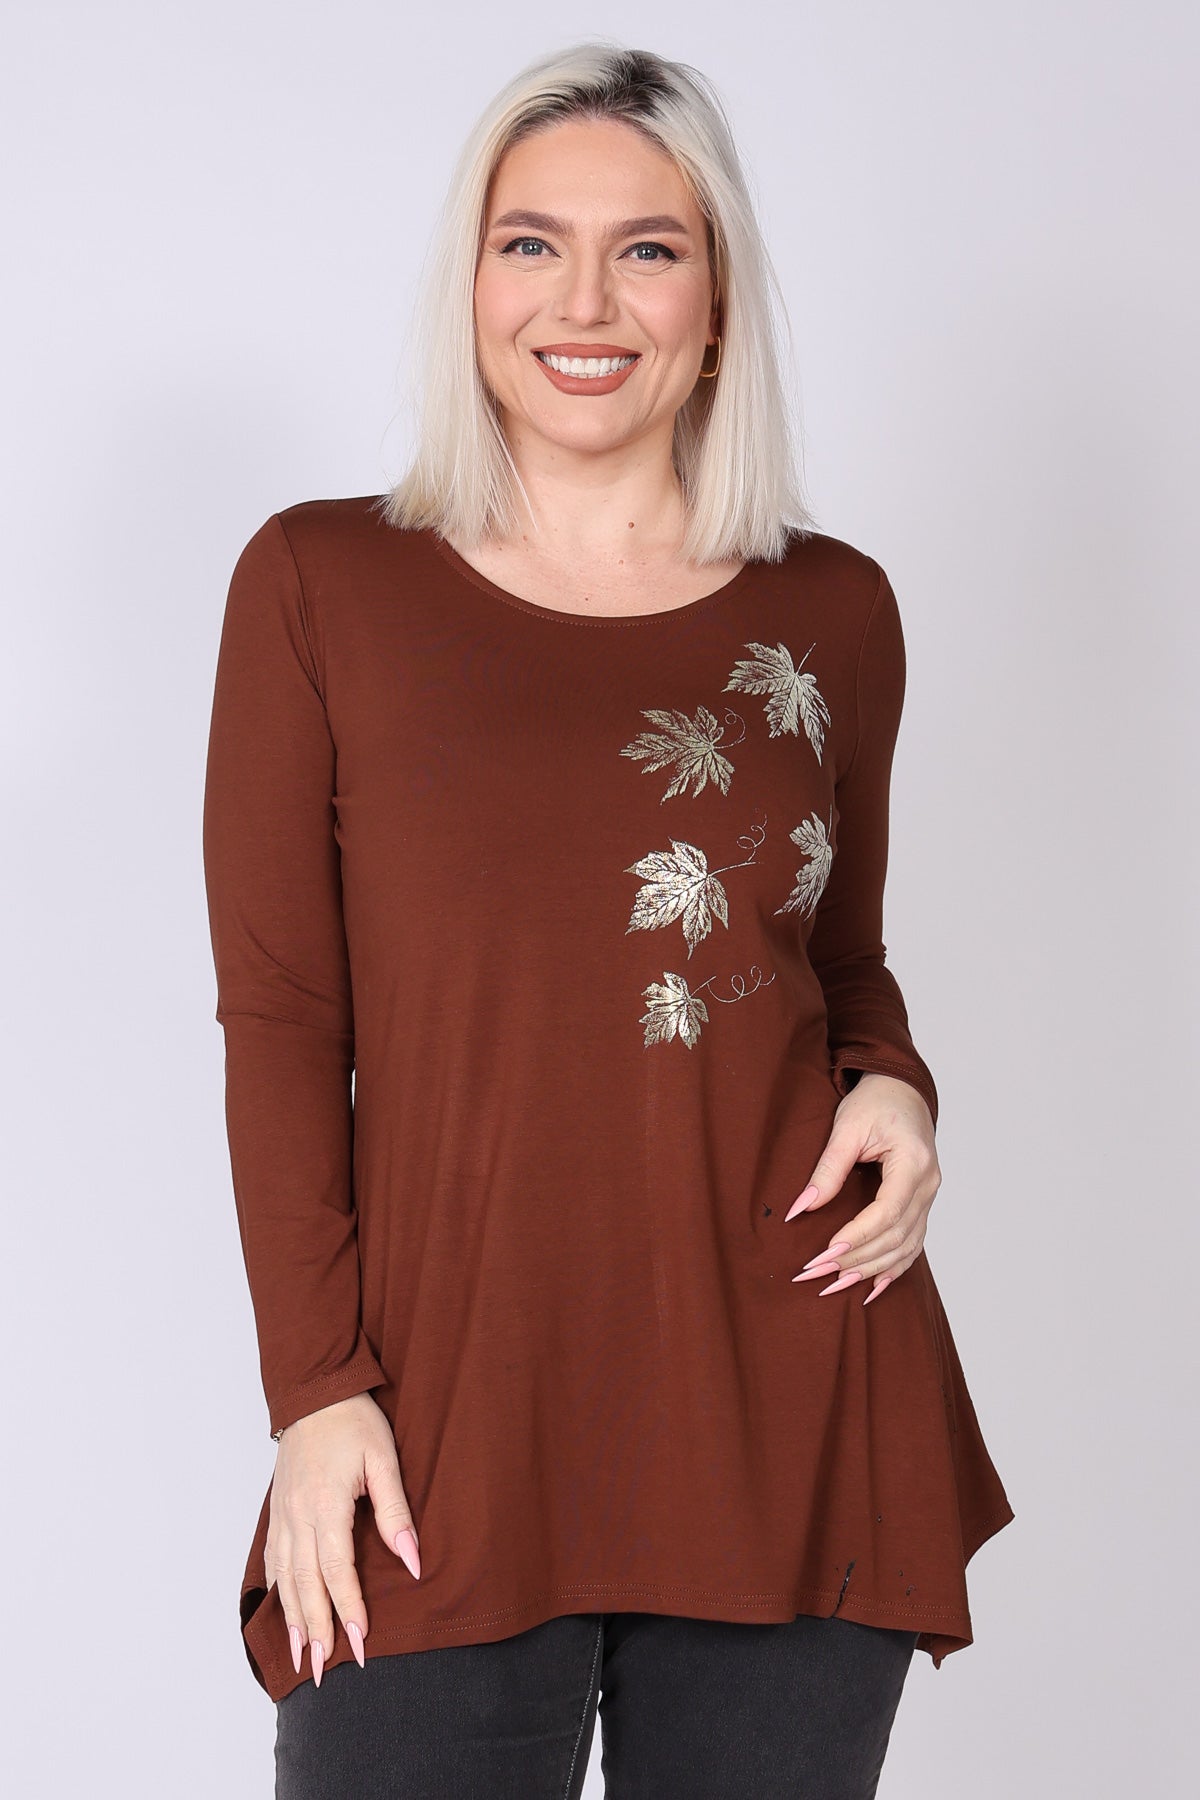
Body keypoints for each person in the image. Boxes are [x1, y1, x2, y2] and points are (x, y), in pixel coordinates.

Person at [202, 39, 1015, 1800]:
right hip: (438, 1424)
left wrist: (897, 1083)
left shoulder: (836, 609)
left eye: (647, 249)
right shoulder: (320, 584)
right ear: (472, 284)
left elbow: (839, 960)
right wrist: (314, 1392)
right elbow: (282, 1021)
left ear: (714, 307)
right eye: (531, 244)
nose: (585, 302)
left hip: (790, 1401)